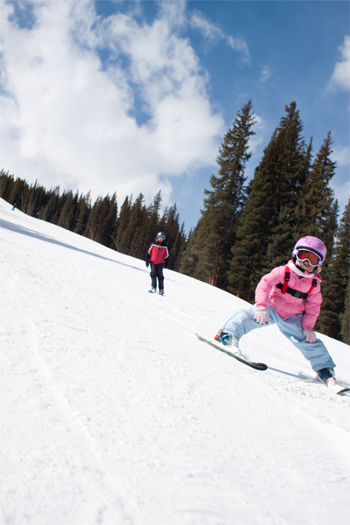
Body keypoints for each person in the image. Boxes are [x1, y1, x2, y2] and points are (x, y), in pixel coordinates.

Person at [214, 236, 337, 386]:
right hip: (271, 308)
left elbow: (314, 307)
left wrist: (308, 327)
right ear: (295, 254)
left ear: (319, 264)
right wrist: (261, 306)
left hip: (292, 317)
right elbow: (264, 284)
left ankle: (324, 369)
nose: (306, 263)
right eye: (304, 256)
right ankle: (228, 336)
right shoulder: (282, 272)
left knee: (308, 341)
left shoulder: (314, 284)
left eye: (312, 259)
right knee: (248, 317)